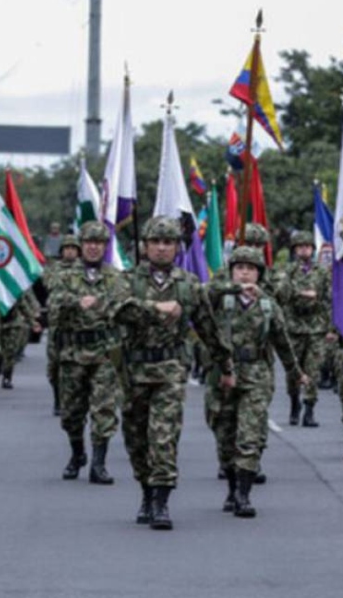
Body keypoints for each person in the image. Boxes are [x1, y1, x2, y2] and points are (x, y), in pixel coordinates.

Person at [114, 216, 232, 530]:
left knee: (163, 436)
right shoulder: (128, 279)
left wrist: (225, 366)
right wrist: (156, 307)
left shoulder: (189, 284)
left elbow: (208, 329)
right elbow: (116, 310)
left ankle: (161, 502)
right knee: (136, 438)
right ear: (145, 246)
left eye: (168, 242)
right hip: (134, 371)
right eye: (156, 242)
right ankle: (146, 490)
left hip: (171, 370)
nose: (162, 248)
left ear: (178, 247)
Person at [208, 246, 303, 517]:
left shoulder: (267, 305)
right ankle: (231, 486)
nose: (245, 273)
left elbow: (282, 341)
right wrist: (232, 289)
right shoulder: (219, 298)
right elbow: (202, 294)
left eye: (251, 269)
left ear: (259, 274)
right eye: (239, 268)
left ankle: (243, 495)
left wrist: (296, 372)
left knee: (249, 436)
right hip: (223, 375)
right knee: (225, 435)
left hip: (256, 374)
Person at [47, 221, 128, 484]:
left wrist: (100, 303)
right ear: (82, 245)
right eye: (89, 242)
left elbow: (123, 305)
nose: (93, 247)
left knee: (104, 410)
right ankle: (77, 453)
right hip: (73, 353)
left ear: (105, 246)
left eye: (99, 243)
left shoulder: (115, 277)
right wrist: (75, 301)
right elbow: (53, 302)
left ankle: (99, 464)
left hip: (104, 353)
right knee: (71, 412)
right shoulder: (65, 275)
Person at [280, 231, 331, 428]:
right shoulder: (288, 271)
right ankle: (294, 402)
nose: (304, 250)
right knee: (294, 370)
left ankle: (309, 409)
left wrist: (331, 328)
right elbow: (281, 293)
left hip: (316, 327)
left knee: (313, 370)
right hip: (294, 327)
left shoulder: (322, 272)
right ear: (294, 250)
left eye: (307, 247)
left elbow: (328, 298)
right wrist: (301, 293)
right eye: (300, 247)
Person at [44, 235, 81, 415]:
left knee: (75, 366)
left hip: (77, 325)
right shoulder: (53, 269)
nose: (70, 252)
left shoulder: (85, 270)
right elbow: (49, 284)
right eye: (67, 248)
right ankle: (58, 397)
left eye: (73, 248)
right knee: (54, 365)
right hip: (56, 325)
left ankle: (72, 400)